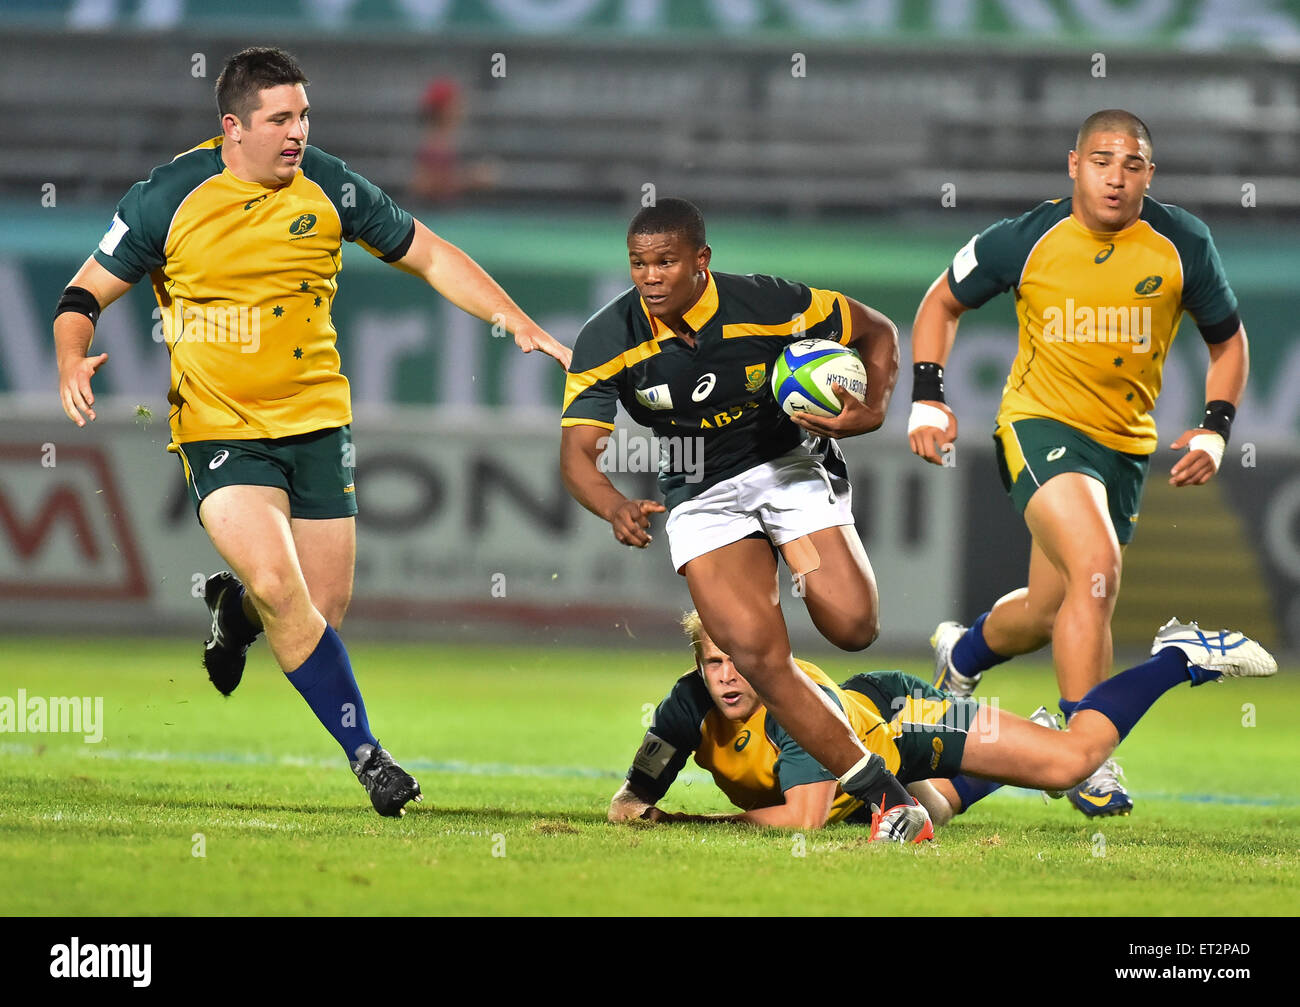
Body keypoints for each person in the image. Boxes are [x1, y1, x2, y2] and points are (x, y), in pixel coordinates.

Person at [53, 47, 570, 817]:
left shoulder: (327, 182)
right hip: (220, 426)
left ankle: (234, 614)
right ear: (233, 128)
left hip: (318, 421)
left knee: (318, 608)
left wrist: (516, 321)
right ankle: (369, 755)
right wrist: (69, 357)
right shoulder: (169, 195)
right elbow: (83, 291)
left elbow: (426, 251)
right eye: (280, 120)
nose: (298, 133)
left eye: (304, 116)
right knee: (278, 584)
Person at [560, 197, 941, 841]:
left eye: (665, 262)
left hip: (786, 467)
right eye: (638, 265)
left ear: (701, 262)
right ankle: (890, 800)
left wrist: (873, 409)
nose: (650, 278)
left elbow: (877, 330)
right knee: (757, 656)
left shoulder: (769, 305)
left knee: (852, 625)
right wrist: (613, 504)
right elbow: (576, 457)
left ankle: (782, 562)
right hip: (699, 494)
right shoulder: (609, 338)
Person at [906, 109, 1249, 817]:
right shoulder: (1027, 239)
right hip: (1037, 425)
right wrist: (927, 397)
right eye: (1102, 161)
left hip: (1124, 446)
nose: (1116, 177)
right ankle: (1087, 753)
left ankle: (963, 656)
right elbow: (942, 301)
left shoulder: (1182, 242)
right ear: (1073, 164)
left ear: (1150, 174)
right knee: (1097, 565)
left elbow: (1228, 341)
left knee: (1049, 608)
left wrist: (1216, 427)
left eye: (1131, 164)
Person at [608, 612, 1275, 835]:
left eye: (739, 659)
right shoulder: (685, 704)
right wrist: (637, 808)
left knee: (1071, 761)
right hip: (867, 774)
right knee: (926, 814)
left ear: (764, 655)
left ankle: (1178, 655)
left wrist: (689, 826)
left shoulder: (792, 702)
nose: (727, 675)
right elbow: (629, 802)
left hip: (902, 721)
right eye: (714, 661)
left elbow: (803, 818)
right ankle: (1025, 729)